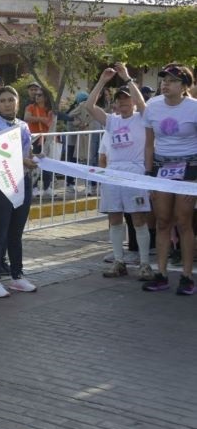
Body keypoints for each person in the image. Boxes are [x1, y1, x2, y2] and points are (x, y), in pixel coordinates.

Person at [84, 66, 152, 280]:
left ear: (131, 100)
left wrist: (127, 78)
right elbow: (89, 105)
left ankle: (144, 264)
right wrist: (102, 81)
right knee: (114, 218)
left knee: (138, 218)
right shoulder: (111, 121)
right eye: (119, 99)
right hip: (113, 173)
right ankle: (118, 261)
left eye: (126, 99)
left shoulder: (141, 118)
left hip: (135, 172)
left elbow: (142, 103)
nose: (123, 102)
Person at [0, 86, 40, 298]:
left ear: (17, 103)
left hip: (22, 182)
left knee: (15, 232)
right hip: (0, 184)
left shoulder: (24, 126)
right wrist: (20, 160)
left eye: (10, 100)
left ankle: (17, 276)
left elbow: (28, 152)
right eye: (3, 100)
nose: (7, 104)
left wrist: (34, 160)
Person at [142, 64, 197, 295]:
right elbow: (148, 144)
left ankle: (186, 276)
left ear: (184, 86)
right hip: (161, 168)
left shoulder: (194, 108)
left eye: (173, 80)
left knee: (184, 221)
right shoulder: (153, 106)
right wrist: (147, 177)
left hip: (189, 167)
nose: (165, 83)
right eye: (164, 79)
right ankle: (161, 273)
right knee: (162, 221)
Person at [25, 88, 56, 197]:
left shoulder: (50, 110)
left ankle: (47, 187)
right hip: (34, 139)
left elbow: (51, 123)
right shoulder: (31, 107)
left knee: (47, 163)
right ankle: (34, 187)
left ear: (46, 97)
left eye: (40, 95)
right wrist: (41, 119)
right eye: (36, 95)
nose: (37, 97)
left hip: (46, 140)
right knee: (35, 163)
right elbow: (26, 117)